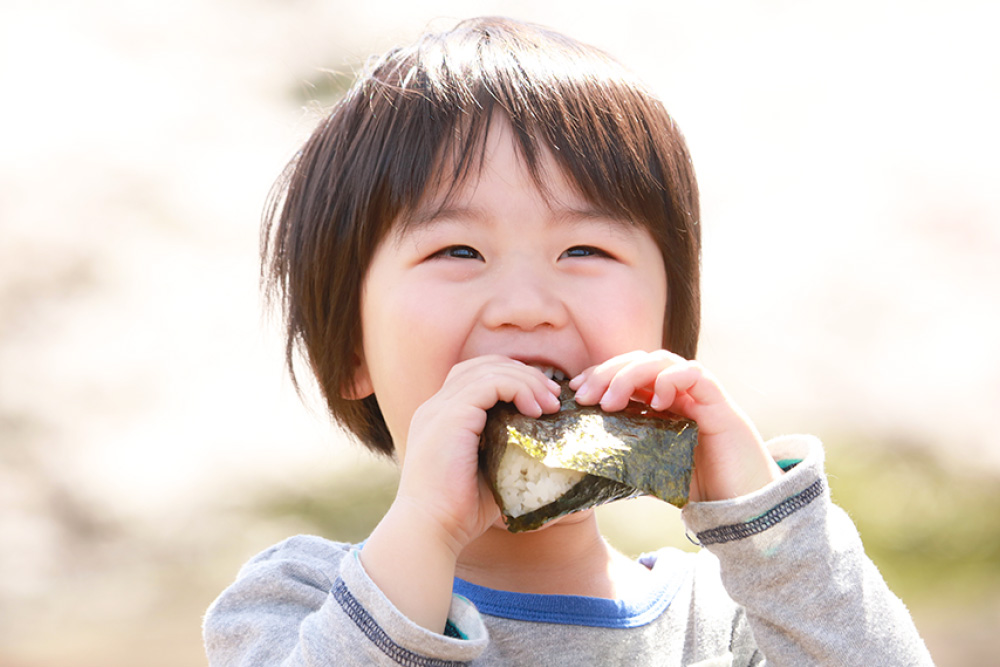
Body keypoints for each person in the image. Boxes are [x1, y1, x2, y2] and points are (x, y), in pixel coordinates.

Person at [203, 16, 933, 665]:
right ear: (352, 352)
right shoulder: (295, 604)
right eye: (457, 250)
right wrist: (427, 527)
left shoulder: (736, 622)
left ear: (669, 333)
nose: (526, 307)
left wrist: (767, 529)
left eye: (585, 249)